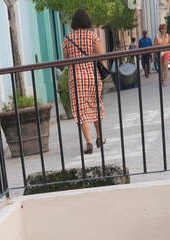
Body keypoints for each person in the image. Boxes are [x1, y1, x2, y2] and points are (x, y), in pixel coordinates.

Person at [62, 9, 105, 154]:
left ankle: (88, 143)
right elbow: (101, 56)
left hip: (76, 78)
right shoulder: (93, 36)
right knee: (95, 106)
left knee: (81, 111)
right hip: (92, 76)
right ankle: (99, 137)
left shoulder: (68, 39)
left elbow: (67, 60)